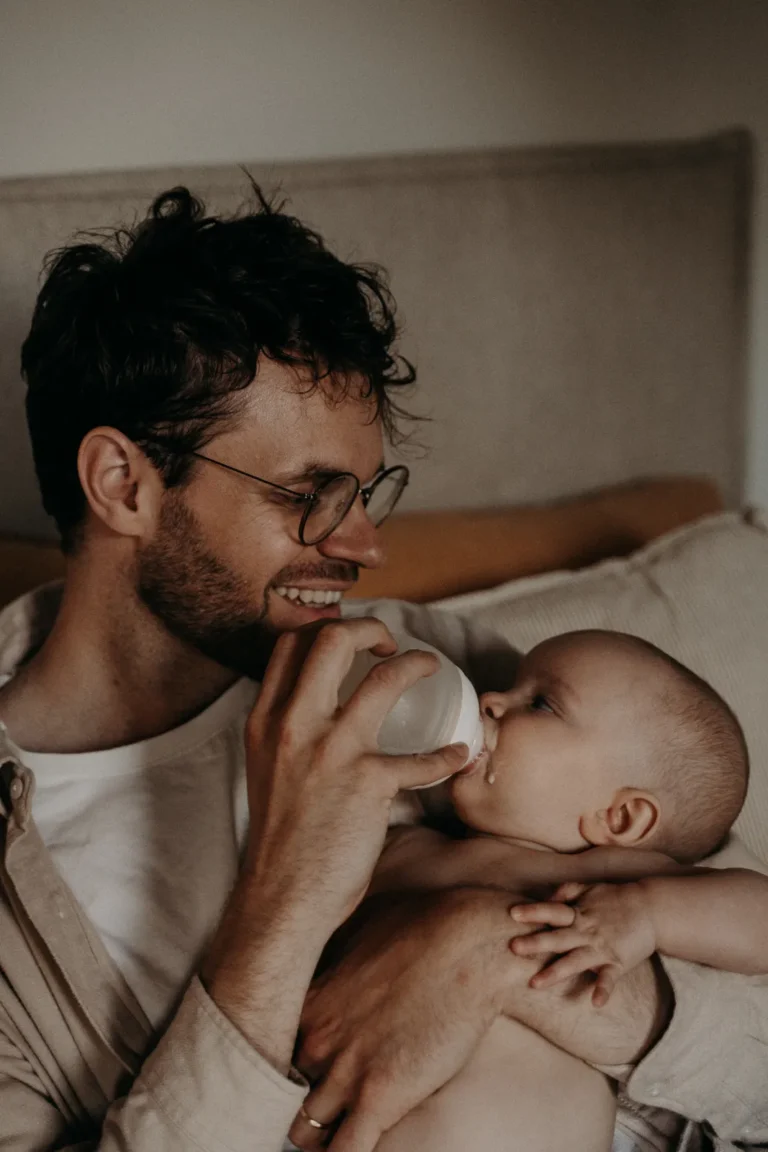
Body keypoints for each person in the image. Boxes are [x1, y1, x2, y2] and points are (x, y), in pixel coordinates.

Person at [0, 187, 765, 1152]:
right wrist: (284, 905)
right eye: (315, 496)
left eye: (367, 494)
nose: (364, 548)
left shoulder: (424, 663)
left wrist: (482, 948)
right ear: (126, 484)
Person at [354, 629, 767, 1152]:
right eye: (512, 687)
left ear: (620, 817)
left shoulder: (609, 877)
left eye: (542, 703)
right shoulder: (407, 842)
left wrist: (652, 913)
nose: (490, 700)